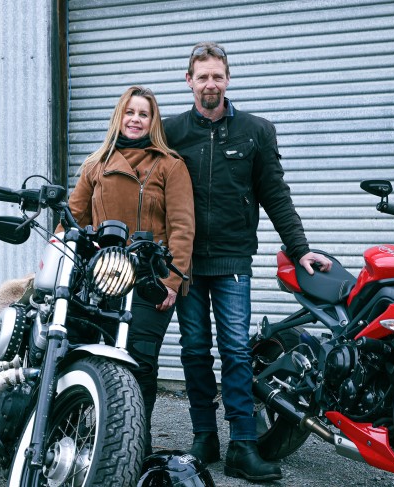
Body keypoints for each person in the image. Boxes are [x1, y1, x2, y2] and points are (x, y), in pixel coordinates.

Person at [164, 42, 332, 482]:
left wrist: (299, 248)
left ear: (228, 78)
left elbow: (275, 194)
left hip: (232, 260)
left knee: (236, 350)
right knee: (194, 350)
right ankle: (205, 437)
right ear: (189, 81)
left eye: (217, 76)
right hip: (186, 264)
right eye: (202, 77)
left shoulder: (256, 131)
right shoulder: (171, 132)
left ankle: (242, 444)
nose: (210, 84)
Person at [61, 85, 195, 456]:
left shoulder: (170, 165)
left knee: (139, 361)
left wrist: (172, 280)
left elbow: (183, 227)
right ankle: (75, 433)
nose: (136, 120)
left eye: (144, 114)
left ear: (153, 122)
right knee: (83, 354)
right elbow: (71, 220)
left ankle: (133, 442)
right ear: (119, 116)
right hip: (102, 277)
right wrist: (58, 259)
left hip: (151, 278)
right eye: (130, 112)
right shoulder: (96, 164)